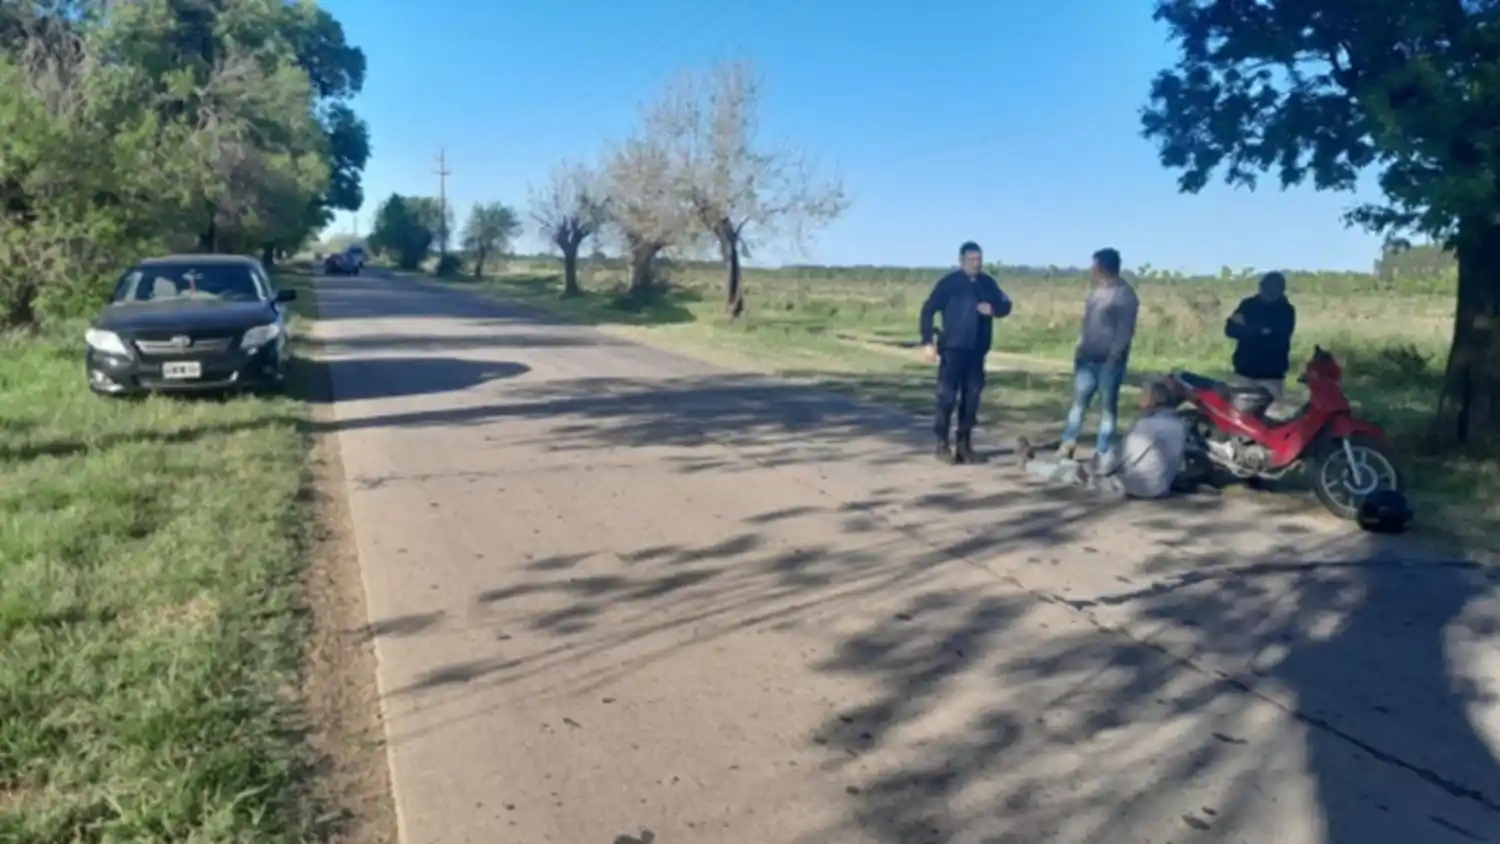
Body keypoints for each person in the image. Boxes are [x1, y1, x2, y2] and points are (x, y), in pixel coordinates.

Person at [919, 241, 1013, 464]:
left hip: (977, 351)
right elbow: (928, 310)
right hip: (953, 349)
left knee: (971, 399)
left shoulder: (988, 283)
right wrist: (927, 342)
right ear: (961, 261)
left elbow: (1006, 305)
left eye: (979, 260)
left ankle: (964, 445)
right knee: (947, 398)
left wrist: (994, 309)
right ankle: (942, 443)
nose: (976, 264)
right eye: (971, 260)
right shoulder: (950, 283)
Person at [1018, 378, 1187, 499]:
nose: (1140, 399)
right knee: (1076, 466)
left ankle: (1030, 465)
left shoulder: (1148, 426)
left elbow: (1120, 456)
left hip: (1138, 486)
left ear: (1152, 400)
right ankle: (1049, 463)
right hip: (1161, 484)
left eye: (1144, 395)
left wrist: (1091, 469)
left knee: (1074, 474)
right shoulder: (1177, 424)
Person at [1057, 247, 1140, 461]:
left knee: (1107, 409)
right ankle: (1068, 443)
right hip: (1087, 359)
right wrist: (1079, 347)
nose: (1091, 270)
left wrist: (1114, 358)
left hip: (1108, 363)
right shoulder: (1095, 292)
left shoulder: (1125, 295)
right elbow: (1087, 324)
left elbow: (1125, 331)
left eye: (1094, 265)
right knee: (1078, 403)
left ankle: (1102, 452)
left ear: (1102, 268)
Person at [1225, 271, 1296, 400]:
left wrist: (1246, 328)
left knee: (1269, 416)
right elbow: (1230, 330)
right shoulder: (1248, 304)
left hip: (1272, 375)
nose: (1268, 291)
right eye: (1265, 287)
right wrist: (1260, 331)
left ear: (1281, 290)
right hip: (1244, 372)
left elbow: (1278, 337)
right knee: (1239, 415)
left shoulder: (1286, 310)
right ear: (1260, 286)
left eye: (1273, 289)